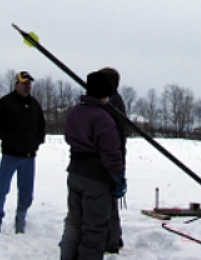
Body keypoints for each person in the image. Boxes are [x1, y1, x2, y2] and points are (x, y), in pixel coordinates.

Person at [59, 70, 126, 260]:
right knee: (94, 228)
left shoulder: (75, 111)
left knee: (74, 222)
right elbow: (111, 153)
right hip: (96, 178)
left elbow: (69, 137)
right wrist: (118, 177)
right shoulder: (103, 118)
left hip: (75, 173)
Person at [0, 71, 46, 234]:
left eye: (29, 83)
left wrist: (38, 140)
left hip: (29, 156)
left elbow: (41, 124)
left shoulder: (34, 104)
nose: (27, 86)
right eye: (24, 83)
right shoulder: (6, 103)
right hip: (10, 155)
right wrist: (9, 137)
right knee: (2, 188)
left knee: (26, 193)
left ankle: (20, 221)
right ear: (16, 84)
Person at [99, 67, 126, 254]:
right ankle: (114, 237)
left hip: (110, 159)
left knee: (107, 202)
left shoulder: (111, 102)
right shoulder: (114, 100)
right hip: (115, 157)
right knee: (108, 201)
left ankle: (112, 241)